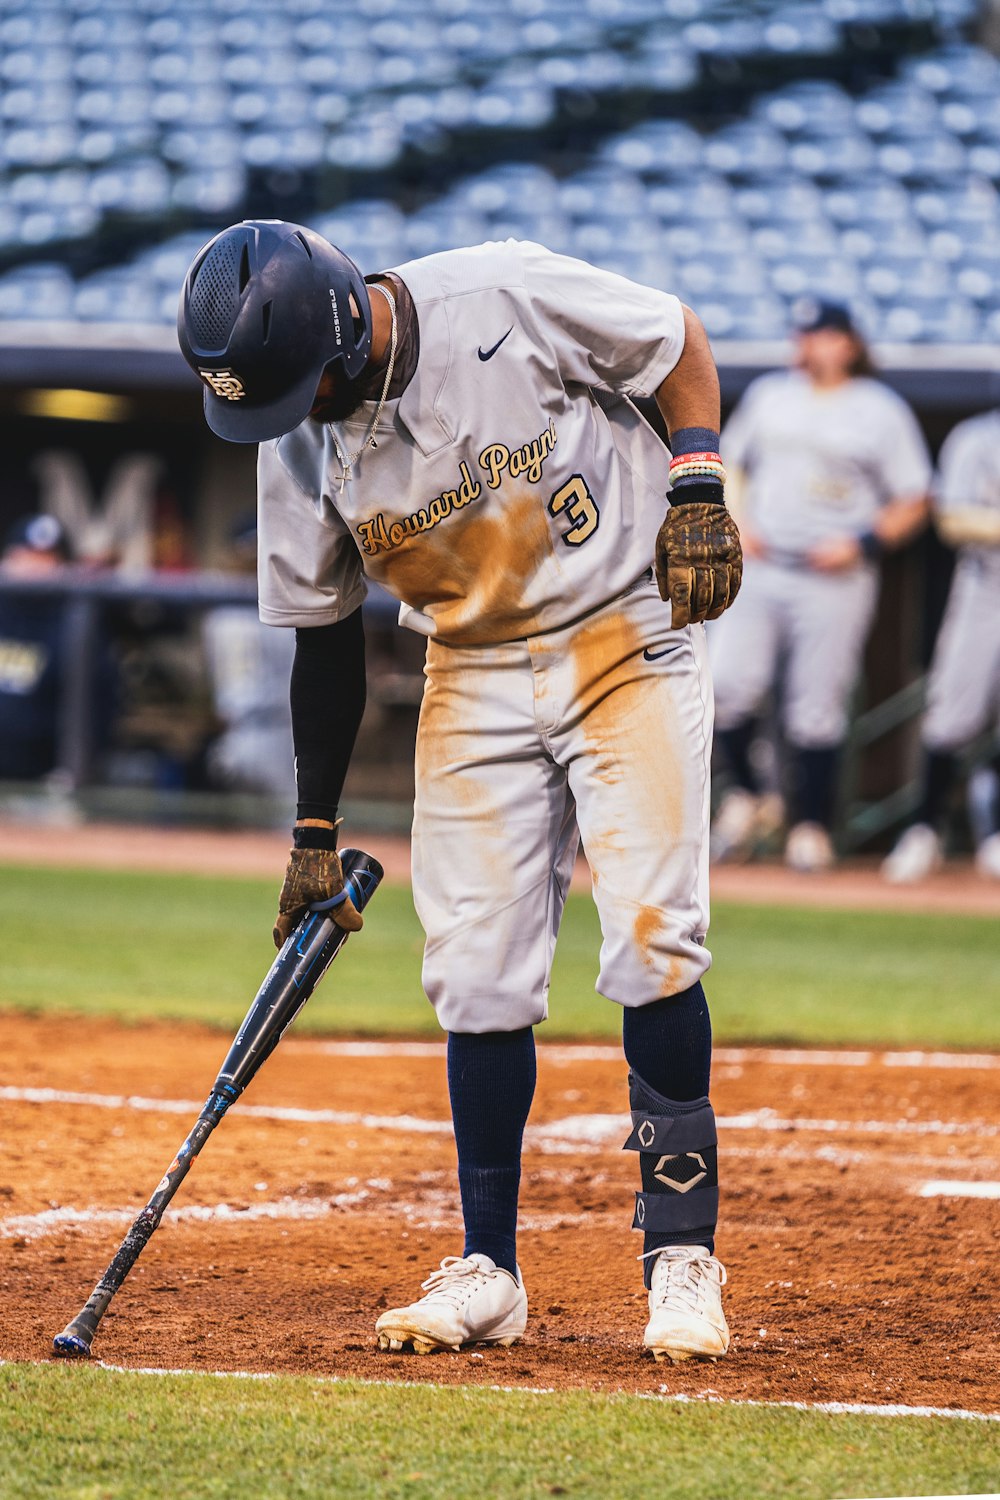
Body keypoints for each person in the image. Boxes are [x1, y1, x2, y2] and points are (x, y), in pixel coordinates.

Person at [178, 220, 743, 1363]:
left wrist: (695, 481)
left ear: (342, 333)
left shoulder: (502, 291)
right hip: (472, 666)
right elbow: (324, 639)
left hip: (623, 629)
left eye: (298, 390)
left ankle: (679, 1260)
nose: (291, 418)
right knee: (474, 971)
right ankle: (489, 1268)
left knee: (650, 937)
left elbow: (674, 337)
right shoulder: (293, 435)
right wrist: (314, 832)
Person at [708, 298, 931, 872]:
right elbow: (729, 463)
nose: (808, 344)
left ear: (847, 343)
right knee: (726, 685)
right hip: (764, 561)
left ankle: (810, 826)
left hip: (834, 573)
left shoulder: (878, 408)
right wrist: (737, 517)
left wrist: (862, 543)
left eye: (821, 335)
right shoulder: (769, 394)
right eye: (802, 334)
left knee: (818, 705)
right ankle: (752, 796)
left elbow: (914, 498)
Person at [881, 408, 1000, 882]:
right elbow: (951, 518)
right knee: (954, 710)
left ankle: (992, 837)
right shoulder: (977, 436)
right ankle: (924, 830)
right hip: (986, 586)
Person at [202, 515, 296, 808]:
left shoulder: (217, 613)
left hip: (239, 739)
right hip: (269, 733)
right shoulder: (289, 609)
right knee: (290, 834)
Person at [0, 514, 72, 781]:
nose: (36, 568)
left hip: (41, 779)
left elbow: (99, 704)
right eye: (26, 557)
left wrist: (71, 772)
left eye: (47, 559)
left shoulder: (75, 623)